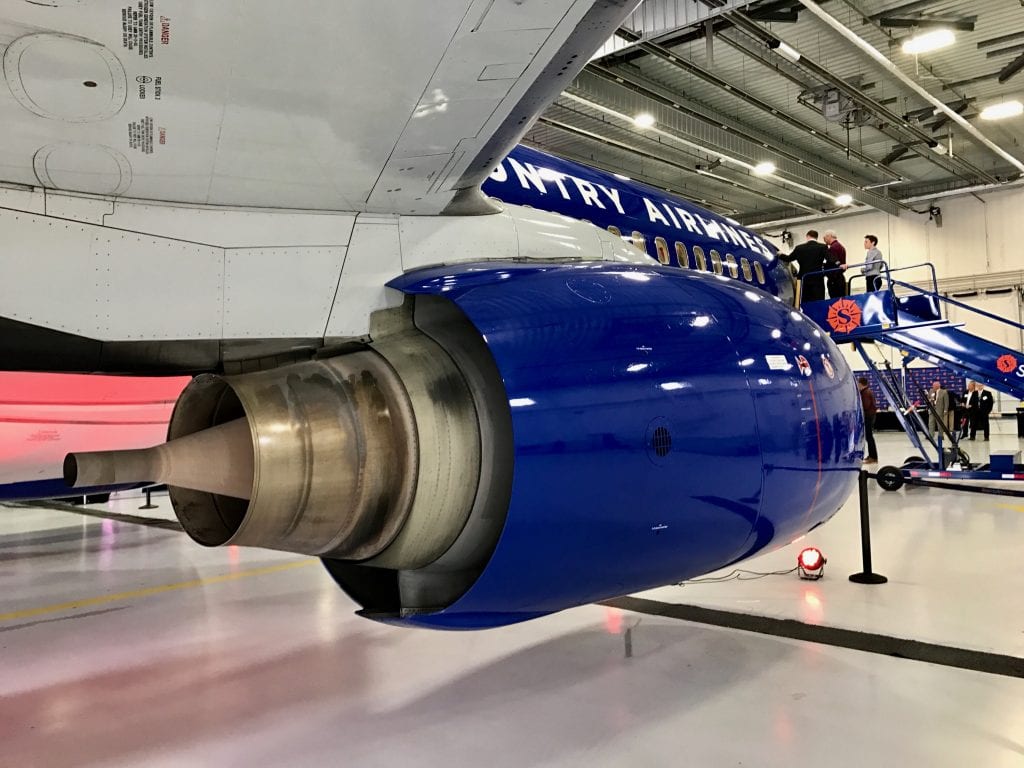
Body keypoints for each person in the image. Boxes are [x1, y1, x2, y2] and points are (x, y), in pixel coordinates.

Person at [780, 230, 829, 303]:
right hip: (817, 279)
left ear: (807, 236)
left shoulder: (799, 248)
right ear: (816, 237)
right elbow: (830, 259)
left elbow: (789, 258)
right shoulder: (822, 247)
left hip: (803, 279)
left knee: (805, 302)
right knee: (819, 301)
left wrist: (780, 254)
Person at [858, 377, 878, 464]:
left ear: (861, 384)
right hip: (870, 416)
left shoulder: (865, 393)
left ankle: (873, 457)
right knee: (869, 437)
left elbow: (865, 405)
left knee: (869, 437)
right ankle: (871, 456)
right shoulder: (867, 391)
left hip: (868, 417)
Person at [822, 230, 847, 298]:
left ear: (829, 236)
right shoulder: (841, 246)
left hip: (834, 280)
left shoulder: (833, 248)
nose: (824, 239)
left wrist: (823, 266)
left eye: (825, 237)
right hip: (840, 278)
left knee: (835, 302)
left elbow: (832, 262)